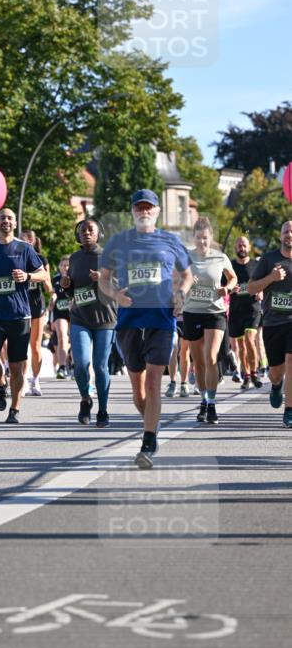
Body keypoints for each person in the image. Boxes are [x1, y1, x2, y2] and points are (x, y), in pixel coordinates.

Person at [99, 189, 193, 469]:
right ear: (132, 211)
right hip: (129, 321)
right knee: (139, 391)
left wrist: (182, 293)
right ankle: (152, 421)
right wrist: (115, 295)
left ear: (157, 211)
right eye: (139, 207)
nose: (144, 211)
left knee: (153, 382)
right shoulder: (118, 241)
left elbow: (187, 275)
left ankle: (148, 441)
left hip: (161, 319)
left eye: (148, 207)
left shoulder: (171, 240)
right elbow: (104, 279)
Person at [0, 209, 46, 424]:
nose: (6, 221)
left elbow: (43, 274)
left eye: (9, 218)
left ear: (15, 223)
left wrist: (27, 276)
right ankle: (1, 383)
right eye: (2, 218)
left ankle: (15, 409)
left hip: (20, 315)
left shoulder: (25, 248)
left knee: (17, 366)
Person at [181, 218, 237, 424]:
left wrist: (227, 288)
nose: (202, 241)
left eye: (205, 238)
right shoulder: (186, 257)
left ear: (211, 237)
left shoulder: (220, 257)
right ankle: (204, 400)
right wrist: (186, 280)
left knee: (211, 357)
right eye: (198, 238)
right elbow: (175, 278)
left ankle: (212, 404)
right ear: (193, 238)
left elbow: (233, 277)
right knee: (199, 362)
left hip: (215, 312)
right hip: (192, 312)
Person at [64, 219, 116, 427]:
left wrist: (102, 279)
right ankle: (86, 399)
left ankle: (103, 410)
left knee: (100, 366)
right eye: (82, 230)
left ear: (98, 234)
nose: (86, 233)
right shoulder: (74, 258)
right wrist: (66, 286)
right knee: (81, 364)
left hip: (105, 318)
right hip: (80, 317)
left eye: (90, 230)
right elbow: (72, 290)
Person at [247, 221, 292, 428]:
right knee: (276, 372)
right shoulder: (268, 259)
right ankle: (276, 386)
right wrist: (272, 278)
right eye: (286, 231)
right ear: (280, 236)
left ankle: (289, 410)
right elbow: (251, 288)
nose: (289, 234)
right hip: (273, 322)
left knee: (291, 361)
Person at [20, 229, 52, 396]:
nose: (20, 242)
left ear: (31, 242)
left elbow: (48, 287)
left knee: (36, 345)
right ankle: (23, 380)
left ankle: (36, 379)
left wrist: (44, 280)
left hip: (36, 304)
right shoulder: (16, 258)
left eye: (23, 240)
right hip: (20, 304)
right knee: (22, 345)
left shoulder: (41, 259)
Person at [229, 236, 264, 390]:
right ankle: (247, 376)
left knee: (250, 340)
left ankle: (255, 373)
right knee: (241, 346)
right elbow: (222, 285)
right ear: (235, 248)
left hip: (252, 309)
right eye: (239, 245)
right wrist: (230, 289)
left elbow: (265, 282)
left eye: (244, 245)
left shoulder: (257, 265)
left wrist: (261, 291)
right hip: (236, 310)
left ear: (249, 247)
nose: (241, 248)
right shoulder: (230, 266)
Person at [49, 255, 72, 378]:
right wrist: (52, 299)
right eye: (63, 265)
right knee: (62, 337)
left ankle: (74, 365)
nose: (65, 267)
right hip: (60, 312)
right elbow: (54, 293)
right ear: (59, 267)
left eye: (67, 265)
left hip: (73, 312)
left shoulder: (75, 277)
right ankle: (62, 367)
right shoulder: (56, 279)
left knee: (74, 339)